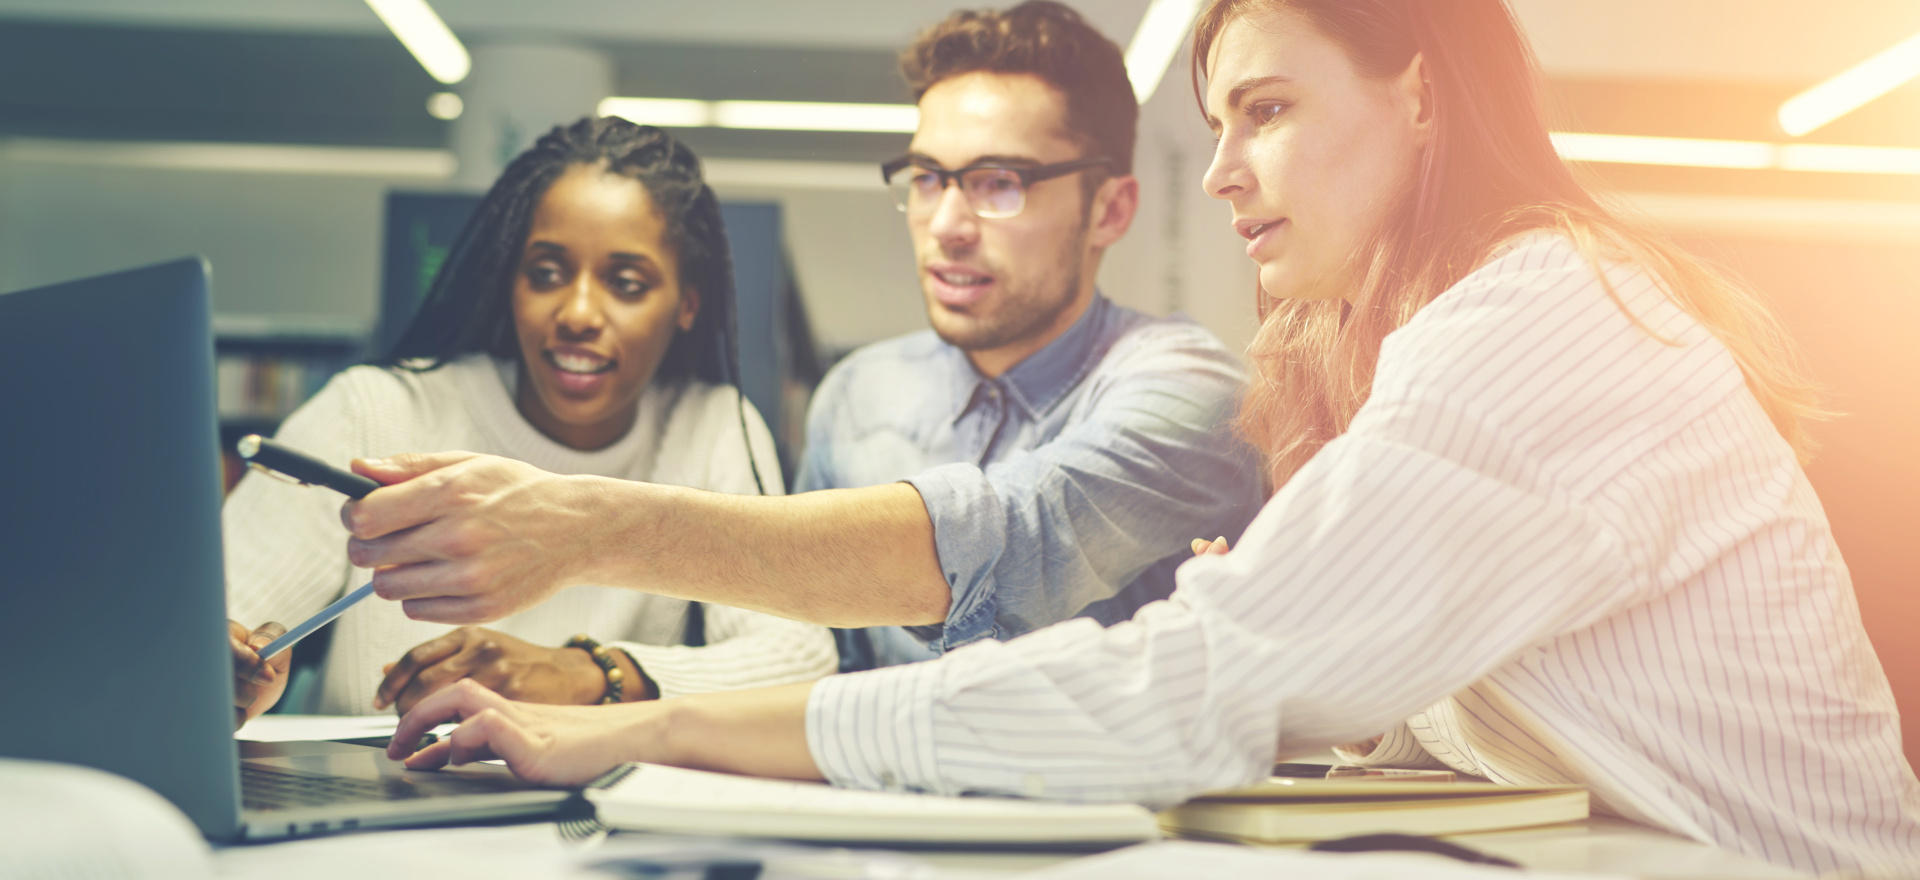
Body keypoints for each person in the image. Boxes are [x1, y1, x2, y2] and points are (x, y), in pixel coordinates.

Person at [378, 0, 1920, 875]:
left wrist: (648, 718)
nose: (1227, 174)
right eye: (926, 180)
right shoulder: (1459, 336)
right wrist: (623, 680)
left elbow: (1195, 679)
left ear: (1423, 98)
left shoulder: (1543, 324)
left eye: (1267, 113)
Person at [333, 1, 1263, 670]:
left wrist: (584, 527)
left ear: (1112, 207)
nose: (947, 223)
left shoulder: (1189, 390)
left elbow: (1017, 536)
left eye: (999, 182)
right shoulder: (861, 395)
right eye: (930, 177)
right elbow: (820, 668)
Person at [226, 117, 836, 726]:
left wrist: (586, 673)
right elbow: (212, 624)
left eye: (625, 283)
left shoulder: (709, 426)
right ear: (509, 283)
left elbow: (799, 656)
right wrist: (234, 670)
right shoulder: (376, 411)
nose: (576, 313)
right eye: (546, 273)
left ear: (687, 305)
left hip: (592, 809)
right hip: (372, 800)